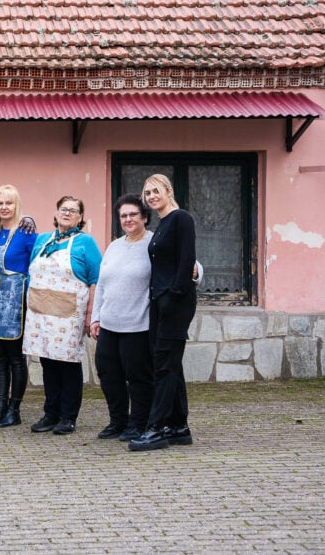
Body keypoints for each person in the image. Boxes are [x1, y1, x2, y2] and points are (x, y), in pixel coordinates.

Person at [129, 174, 198, 452]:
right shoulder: (162, 224)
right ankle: (179, 426)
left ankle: (156, 428)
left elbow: (186, 260)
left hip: (175, 302)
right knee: (170, 363)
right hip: (159, 301)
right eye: (147, 193)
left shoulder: (181, 219)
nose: (151, 196)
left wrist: (174, 296)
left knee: (164, 364)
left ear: (168, 191)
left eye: (156, 191)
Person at [24, 195, 101, 435]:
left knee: (68, 365)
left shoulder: (85, 242)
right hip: (41, 313)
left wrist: (91, 315)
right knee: (47, 363)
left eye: (73, 210)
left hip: (69, 314)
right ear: (56, 213)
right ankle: (50, 413)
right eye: (63, 209)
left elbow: (96, 279)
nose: (67, 213)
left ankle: (68, 416)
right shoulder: (43, 240)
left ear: (80, 218)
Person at [89, 194, 156, 442]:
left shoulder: (154, 243)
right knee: (108, 374)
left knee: (138, 378)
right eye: (123, 216)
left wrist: (196, 272)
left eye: (133, 214)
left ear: (145, 217)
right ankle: (118, 421)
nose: (128, 219)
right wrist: (96, 318)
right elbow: (102, 284)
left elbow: (188, 265)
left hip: (139, 325)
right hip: (109, 324)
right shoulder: (115, 246)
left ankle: (138, 423)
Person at [0, 185, 37, 428]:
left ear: (17, 206)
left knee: (15, 358)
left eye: (9, 203)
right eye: (0, 203)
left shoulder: (25, 232)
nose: (4, 207)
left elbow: (36, 266)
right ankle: (0, 408)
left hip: (15, 302)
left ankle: (14, 409)